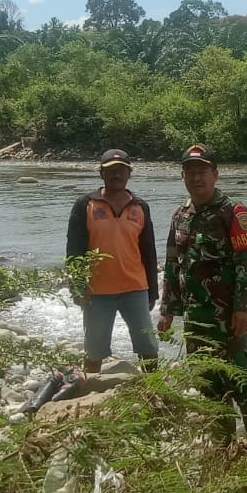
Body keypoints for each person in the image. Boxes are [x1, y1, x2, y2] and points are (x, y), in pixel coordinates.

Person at [160, 143, 247, 439]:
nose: (197, 178)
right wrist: (168, 309)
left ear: (215, 175)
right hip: (196, 319)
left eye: (202, 171)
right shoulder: (180, 216)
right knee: (208, 384)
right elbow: (172, 263)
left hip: (227, 317)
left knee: (241, 382)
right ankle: (224, 451)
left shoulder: (233, 212)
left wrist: (244, 307)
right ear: (183, 176)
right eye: (190, 172)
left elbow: (246, 262)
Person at [65, 148, 161, 375]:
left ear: (129, 173)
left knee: (147, 346)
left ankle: (155, 389)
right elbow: (74, 251)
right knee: (94, 351)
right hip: (96, 292)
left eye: (121, 170)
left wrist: (153, 291)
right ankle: (90, 394)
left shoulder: (140, 207)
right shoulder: (85, 204)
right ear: (101, 174)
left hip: (135, 289)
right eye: (110, 171)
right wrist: (77, 285)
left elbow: (149, 251)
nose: (116, 175)